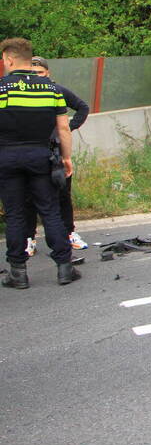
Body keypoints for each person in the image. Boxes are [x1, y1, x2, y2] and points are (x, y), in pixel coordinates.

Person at [0, 38, 80, 288]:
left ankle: (18, 272)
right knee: (50, 211)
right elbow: (63, 127)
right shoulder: (51, 89)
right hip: (41, 156)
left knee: (15, 214)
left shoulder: (2, 89)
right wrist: (66, 158)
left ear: (10, 59)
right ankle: (65, 268)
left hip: (7, 156)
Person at [23, 55, 90, 253]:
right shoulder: (23, 93)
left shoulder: (56, 90)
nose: (36, 77)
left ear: (48, 73)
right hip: (30, 151)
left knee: (62, 194)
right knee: (28, 197)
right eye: (32, 73)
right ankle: (29, 239)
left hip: (56, 151)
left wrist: (68, 127)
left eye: (40, 73)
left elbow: (82, 107)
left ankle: (69, 233)